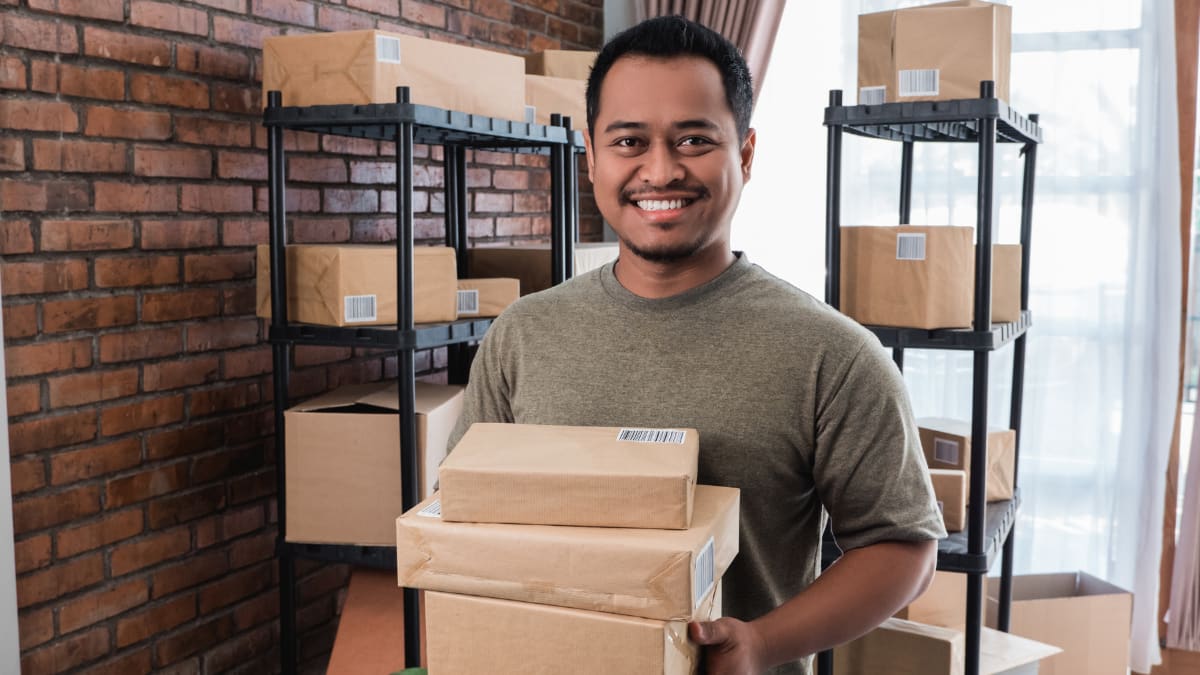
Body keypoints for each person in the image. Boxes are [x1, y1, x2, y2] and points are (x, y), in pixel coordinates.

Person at [448, 15, 945, 675]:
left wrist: (763, 642)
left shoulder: (833, 354)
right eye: (629, 141)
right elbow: (463, 511)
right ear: (590, 157)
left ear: (744, 153)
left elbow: (903, 547)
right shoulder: (522, 333)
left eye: (692, 139)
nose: (660, 170)